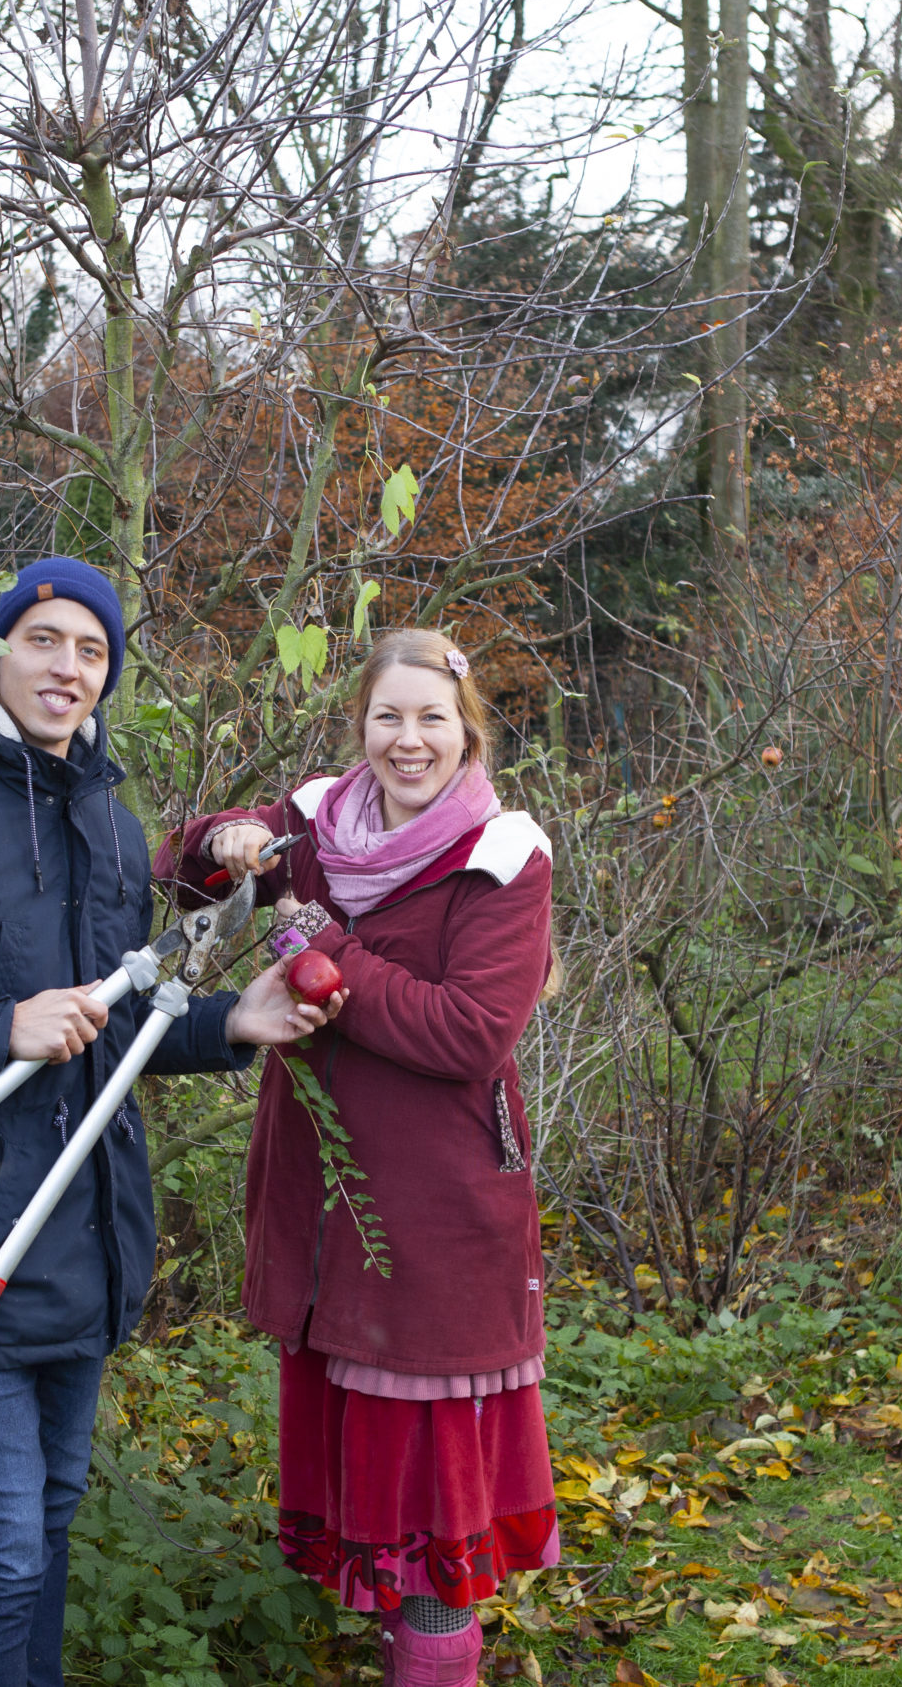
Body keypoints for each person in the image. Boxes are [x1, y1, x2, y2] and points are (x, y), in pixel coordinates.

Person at [0, 556, 338, 1687]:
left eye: (92, 651)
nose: (67, 668)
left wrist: (235, 1022)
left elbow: (110, 1031)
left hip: (78, 1233)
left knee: (50, 1522)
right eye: (44, 640)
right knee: (5, 1544)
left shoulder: (112, 828)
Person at [162, 627, 558, 1687]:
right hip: (325, 1199)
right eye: (388, 716)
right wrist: (229, 839)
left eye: (431, 718)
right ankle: (401, 1654)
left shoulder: (503, 860)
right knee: (368, 1490)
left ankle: (437, 1668)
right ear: (362, 725)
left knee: (427, 1499)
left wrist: (324, 951)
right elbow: (182, 869)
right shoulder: (316, 823)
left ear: (465, 730)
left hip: (435, 1218)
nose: (408, 740)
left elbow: (470, 1032)